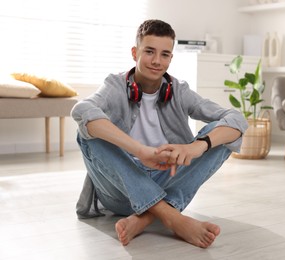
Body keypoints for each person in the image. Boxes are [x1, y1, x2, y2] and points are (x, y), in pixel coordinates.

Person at [71, 19, 248, 249]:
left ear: (171, 58)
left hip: (167, 183)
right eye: (149, 52)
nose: (156, 61)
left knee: (223, 136)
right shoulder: (114, 86)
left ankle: (145, 218)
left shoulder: (179, 90)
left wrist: (196, 147)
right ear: (135, 52)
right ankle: (173, 218)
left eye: (165, 54)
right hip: (121, 189)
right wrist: (140, 151)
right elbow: (81, 110)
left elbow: (237, 120)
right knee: (86, 134)